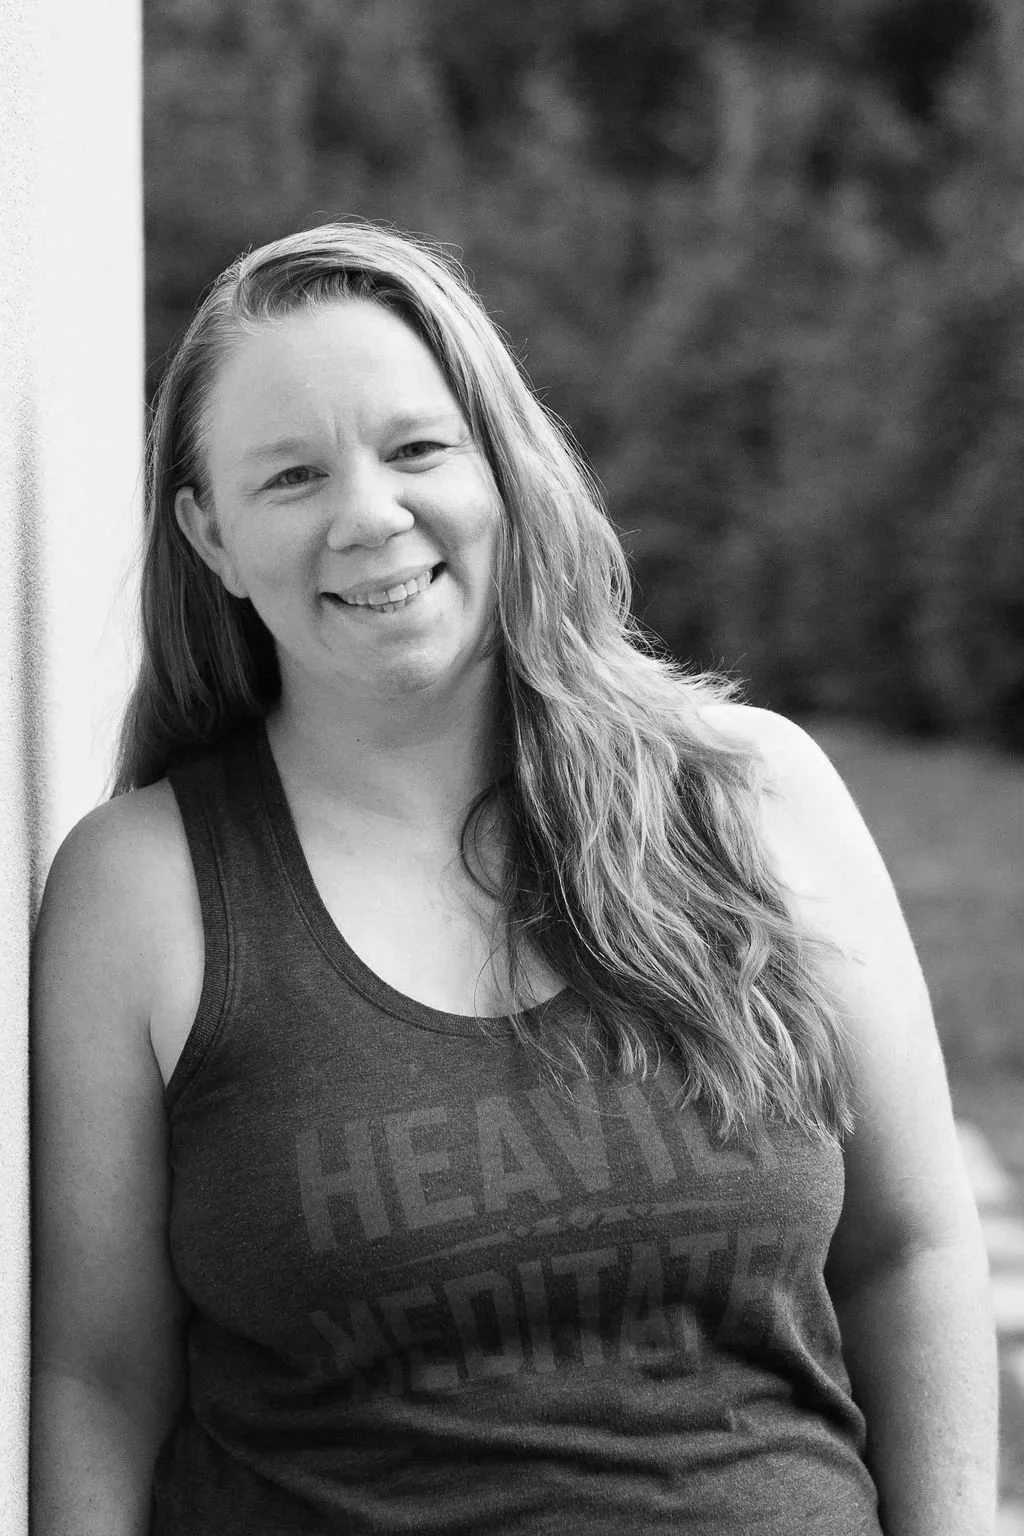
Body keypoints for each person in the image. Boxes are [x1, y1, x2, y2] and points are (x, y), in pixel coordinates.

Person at [30, 220, 998, 1536]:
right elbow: (98, 1379)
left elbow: (910, 1247)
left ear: (502, 462)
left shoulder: (754, 798)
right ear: (210, 536)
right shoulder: (142, 894)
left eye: (418, 447)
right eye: (292, 477)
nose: (370, 517)